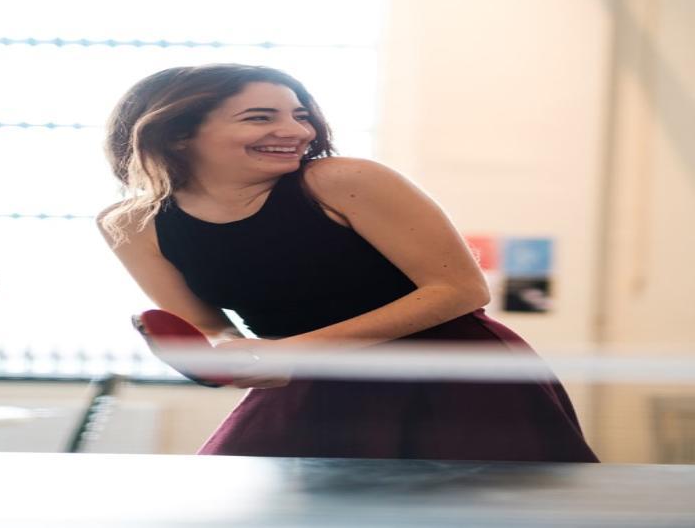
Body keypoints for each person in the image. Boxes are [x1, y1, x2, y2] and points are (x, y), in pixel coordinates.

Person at [98, 64, 598, 462]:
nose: (294, 130)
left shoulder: (343, 181)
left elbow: (461, 290)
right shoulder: (130, 224)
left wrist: (290, 352)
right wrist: (229, 357)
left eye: (299, 114)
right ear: (179, 134)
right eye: (260, 117)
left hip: (452, 373)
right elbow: (209, 326)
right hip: (310, 382)